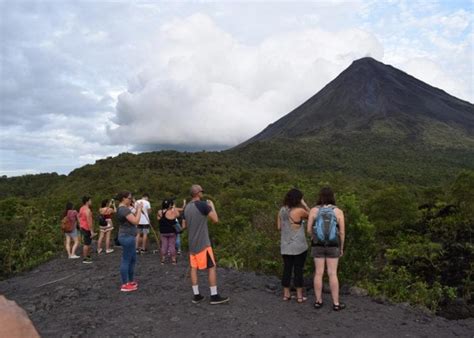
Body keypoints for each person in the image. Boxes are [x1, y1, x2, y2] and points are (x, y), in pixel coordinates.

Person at [183, 185, 229, 305]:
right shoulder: (203, 205)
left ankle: (196, 295)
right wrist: (212, 206)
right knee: (211, 267)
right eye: (201, 191)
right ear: (198, 193)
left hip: (192, 244)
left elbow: (184, 225)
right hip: (203, 243)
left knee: (194, 268)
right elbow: (215, 219)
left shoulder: (186, 207)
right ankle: (214, 295)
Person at [307, 187, 346, 311]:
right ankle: (336, 303)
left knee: (318, 273)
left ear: (320, 196)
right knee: (332, 273)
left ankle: (318, 301)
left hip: (318, 245)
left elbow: (308, 230)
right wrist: (341, 247)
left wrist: (314, 238)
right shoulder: (338, 211)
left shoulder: (314, 210)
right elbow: (342, 232)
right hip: (333, 245)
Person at [277, 188, 309, 303]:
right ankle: (300, 296)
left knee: (287, 269)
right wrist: (305, 205)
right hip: (299, 246)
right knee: (298, 270)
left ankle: (286, 294)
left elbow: (279, 227)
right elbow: (312, 216)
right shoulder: (300, 211)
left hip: (285, 245)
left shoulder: (281, 210)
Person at [116, 191, 143, 292]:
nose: (131, 200)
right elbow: (136, 221)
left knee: (132, 259)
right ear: (123, 198)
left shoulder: (125, 209)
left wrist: (137, 209)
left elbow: (133, 218)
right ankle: (124, 284)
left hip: (129, 236)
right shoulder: (123, 209)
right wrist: (139, 209)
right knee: (126, 259)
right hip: (126, 237)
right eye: (129, 198)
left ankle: (130, 281)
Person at [157, 199, 180, 265]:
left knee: (164, 245)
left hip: (163, 231)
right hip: (172, 231)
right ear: (170, 205)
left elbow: (158, 219)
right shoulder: (172, 212)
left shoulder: (159, 212)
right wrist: (174, 207)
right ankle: (173, 260)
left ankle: (163, 260)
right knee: (172, 245)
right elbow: (177, 215)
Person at [78, 196, 96, 264]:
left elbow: (79, 216)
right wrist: (91, 231)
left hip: (83, 227)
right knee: (86, 244)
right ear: (87, 201)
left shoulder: (81, 208)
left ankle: (88, 256)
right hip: (87, 228)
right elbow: (89, 222)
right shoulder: (87, 210)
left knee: (88, 243)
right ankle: (85, 259)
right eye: (90, 200)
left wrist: (80, 224)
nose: (91, 202)